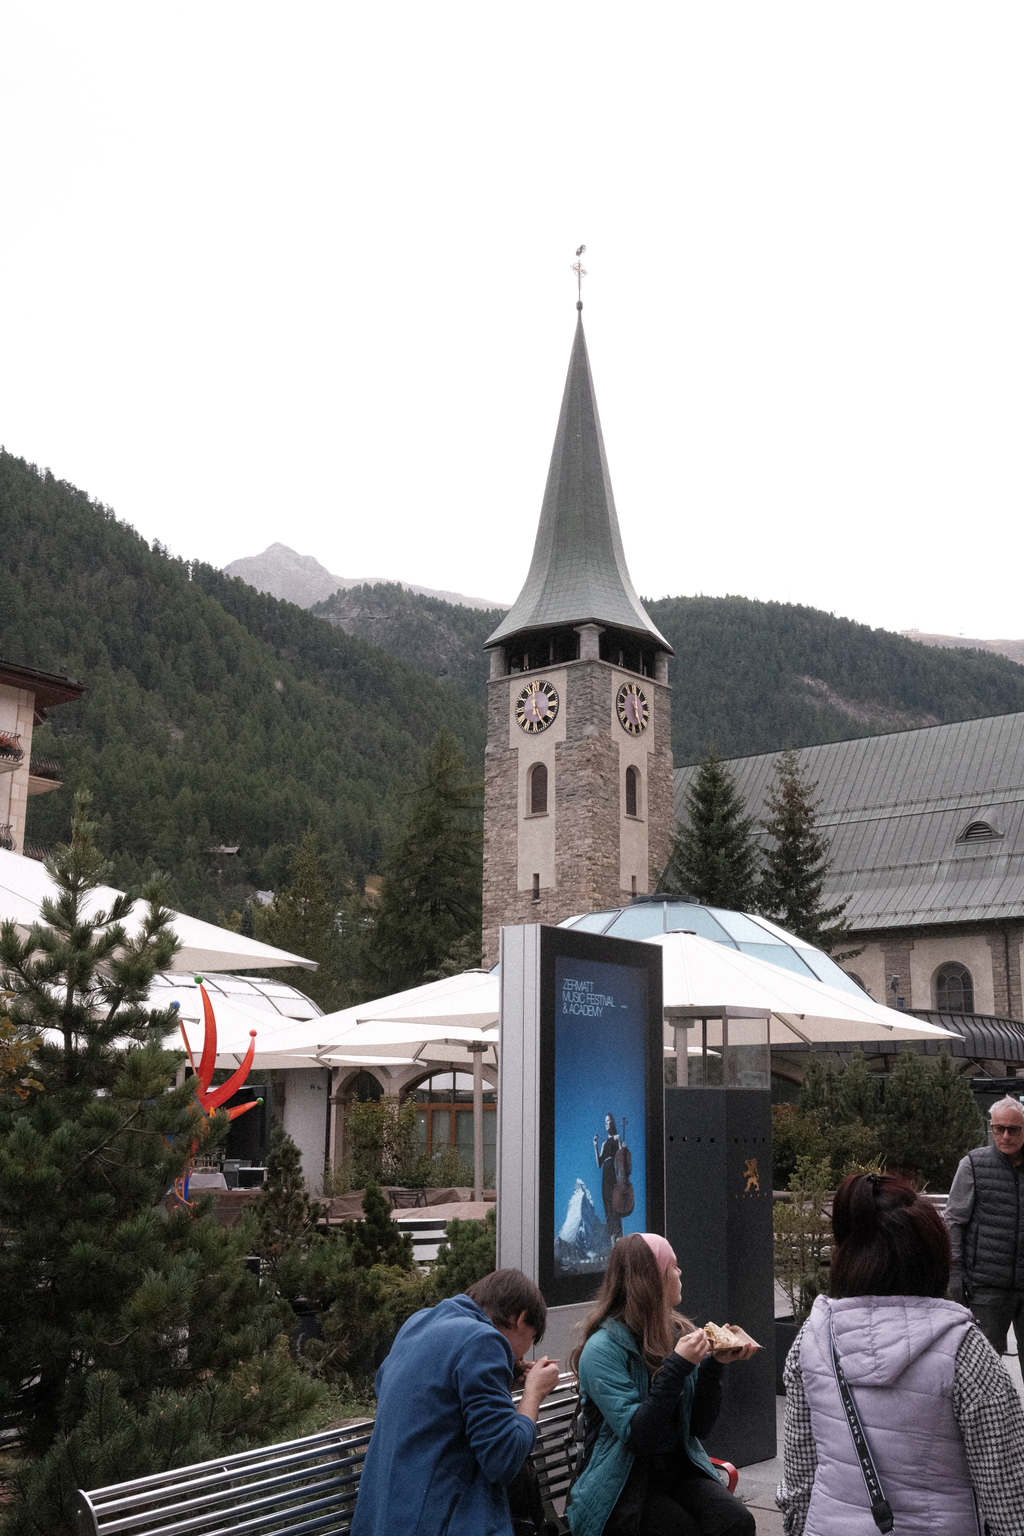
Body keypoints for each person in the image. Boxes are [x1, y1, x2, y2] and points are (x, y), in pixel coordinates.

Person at [777, 1172, 1024, 1536]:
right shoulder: (965, 1351)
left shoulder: (812, 1340)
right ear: (933, 1258)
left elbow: (799, 1481)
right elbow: (1009, 1500)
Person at [566, 1232, 756, 1536]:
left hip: (677, 1469)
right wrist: (678, 1366)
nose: (680, 1274)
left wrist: (714, 1367)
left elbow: (697, 1427)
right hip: (621, 1482)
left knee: (736, 1522)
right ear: (653, 1279)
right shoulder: (602, 1349)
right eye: (674, 1267)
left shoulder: (676, 1333)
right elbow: (638, 1436)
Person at [350, 1268, 561, 1536]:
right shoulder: (486, 1341)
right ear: (520, 1318)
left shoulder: (418, 1323)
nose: (522, 1354)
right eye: (530, 1340)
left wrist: (501, 1381)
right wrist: (534, 1393)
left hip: (386, 1517)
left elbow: (415, 1395)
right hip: (436, 1521)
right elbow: (503, 1460)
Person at [944, 1094, 1024, 1355]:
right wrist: (955, 1273)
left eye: (1013, 1130)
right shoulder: (973, 1165)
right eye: (998, 1129)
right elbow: (954, 1221)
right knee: (985, 1366)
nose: (1005, 1136)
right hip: (987, 1287)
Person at [594, 1113, 624, 1245]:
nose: (608, 1124)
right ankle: (614, 1246)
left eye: (610, 1121)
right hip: (604, 1176)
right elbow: (599, 1163)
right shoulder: (603, 1143)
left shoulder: (617, 1138)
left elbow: (621, 1158)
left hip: (612, 1173)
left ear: (613, 1123)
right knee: (608, 1210)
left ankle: (619, 1242)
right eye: (606, 1122)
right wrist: (595, 1145)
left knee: (614, 1208)